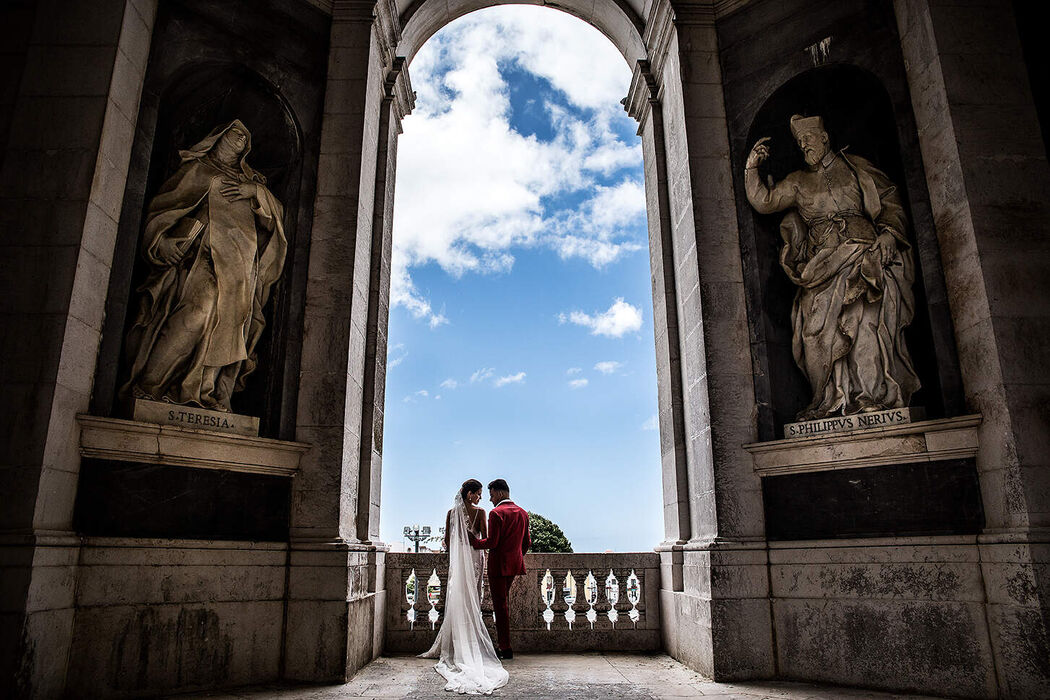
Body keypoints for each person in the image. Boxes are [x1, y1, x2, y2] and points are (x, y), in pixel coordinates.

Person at [744, 114, 920, 420]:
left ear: (825, 138)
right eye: (800, 142)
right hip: (822, 265)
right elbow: (766, 202)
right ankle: (830, 399)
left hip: (864, 257)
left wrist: (890, 234)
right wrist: (751, 168)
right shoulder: (799, 181)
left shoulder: (855, 167)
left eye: (809, 139)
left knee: (863, 324)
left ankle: (871, 396)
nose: (804, 146)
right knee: (814, 331)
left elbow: (890, 199)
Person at [122, 119, 287, 412]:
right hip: (201, 259)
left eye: (244, 139)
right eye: (234, 134)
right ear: (218, 137)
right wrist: (161, 243)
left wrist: (256, 193)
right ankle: (150, 385)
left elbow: (275, 220)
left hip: (240, 270)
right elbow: (163, 208)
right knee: (198, 312)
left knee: (231, 327)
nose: (239, 140)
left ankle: (204, 392)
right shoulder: (197, 170)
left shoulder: (251, 181)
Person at [420, 480, 508, 694]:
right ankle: (471, 642)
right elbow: (485, 538)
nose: (480, 497)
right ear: (469, 494)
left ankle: (457, 644)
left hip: (458, 560)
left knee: (457, 598)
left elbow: (447, 541)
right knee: (473, 599)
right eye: (478, 494)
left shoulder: (451, 513)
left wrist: (456, 558)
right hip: (475, 558)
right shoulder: (481, 513)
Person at [469, 479, 530, 660]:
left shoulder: (496, 513)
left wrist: (474, 541)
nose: (490, 499)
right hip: (514, 565)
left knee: (500, 606)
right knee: (502, 604)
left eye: (492, 495)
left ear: (501, 493)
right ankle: (504, 646)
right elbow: (526, 543)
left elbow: (492, 542)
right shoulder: (523, 513)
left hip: (498, 566)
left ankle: (505, 648)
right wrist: (516, 556)